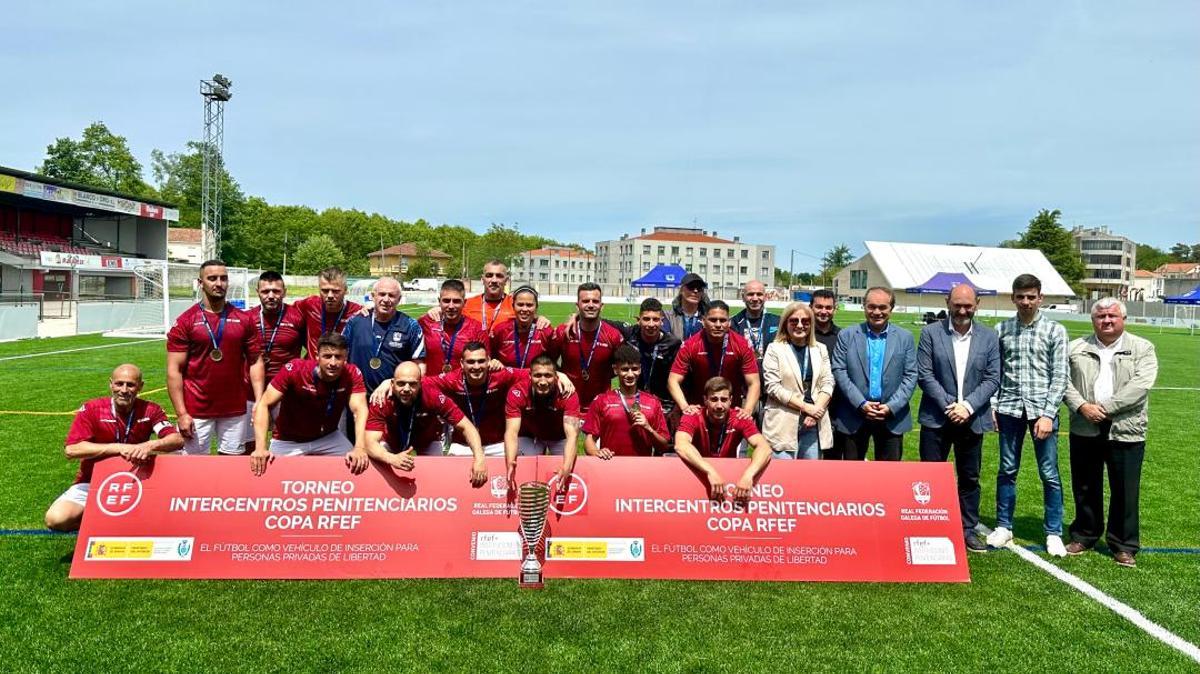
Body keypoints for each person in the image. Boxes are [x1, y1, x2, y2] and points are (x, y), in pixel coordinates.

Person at [1062, 298, 1157, 568]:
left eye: (1112, 316)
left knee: (1125, 489)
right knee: (1084, 484)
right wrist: (1082, 406)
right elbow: (1062, 381)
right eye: (1100, 316)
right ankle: (1084, 534)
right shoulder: (1076, 348)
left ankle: (1123, 545)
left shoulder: (1143, 348)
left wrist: (1103, 408)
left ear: (1123, 319)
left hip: (1125, 428)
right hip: (1084, 424)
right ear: (1092, 320)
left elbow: (1141, 385)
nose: (1106, 321)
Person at [985, 274, 1070, 557]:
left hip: (1041, 412)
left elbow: (1060, 376)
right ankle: (1004, 526)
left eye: (1031, 297)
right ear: (1013, 298)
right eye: (1020, 297)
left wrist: (1048, 414)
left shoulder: (1055, 330)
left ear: (1040, 298)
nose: (1025, 302)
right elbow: (995, 372)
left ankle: (1053, 532)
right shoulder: (1002, 329)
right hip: (1009, 409)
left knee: (1049, 474)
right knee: (1007, 470)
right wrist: (994, 406)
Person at [44, 364, 183, 532]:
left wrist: (150, 445)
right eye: (119, 383)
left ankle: (124, 524)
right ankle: (107, 525)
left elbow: (176, 439)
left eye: (130, 385)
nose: (124, 390)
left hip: (138, 482)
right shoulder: (92, 409)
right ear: (111, 384)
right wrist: (119, 447)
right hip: (93, 481)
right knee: (56, 519)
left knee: (173, 513)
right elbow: (72, 449)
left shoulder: (150, 410)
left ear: (140, 386)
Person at [916, 284, 1001, 553]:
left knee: (969, 477)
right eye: (957, 304)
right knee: (929, 477)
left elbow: (993, 378)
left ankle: (967, 528)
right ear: (947, 302)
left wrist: (967, 406)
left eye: (968, 305)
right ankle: (930, 526)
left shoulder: (989, 337)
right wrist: (949, 405)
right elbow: (925, 374)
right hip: (937, 418)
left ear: (977, 304)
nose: (962, 310)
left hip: (972, 418)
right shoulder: (930, 333)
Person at [167, 259, 264, 456]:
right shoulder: (186, 321)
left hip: (235, 409)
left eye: (223, 278)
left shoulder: (244, 319)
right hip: (196, 410)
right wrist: (181, 413)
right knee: (191, 468)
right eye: (212, 278)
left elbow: (256, 362)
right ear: (200, 283)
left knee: (231, 466)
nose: (218, 283)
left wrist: (260, 402)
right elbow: (173, 370)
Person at [249, 333, 370, 475]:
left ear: (345, 358)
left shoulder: (352, 373)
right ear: (317, 357)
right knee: (267, 474)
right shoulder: (295, 369)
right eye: (327, 356)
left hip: (329, 437)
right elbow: (264, 404)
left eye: (338, 357)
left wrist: (360, 448)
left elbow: (360, 409)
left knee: (359, 465)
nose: (333, 363)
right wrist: (260, 448)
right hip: (288, 440)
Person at [830, 287, 918, 461]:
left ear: (891, 309)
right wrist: (860, 403)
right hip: (853, 415)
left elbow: (911, 375)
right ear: (864, 306)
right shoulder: (847, 335)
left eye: (882, 307)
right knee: (852, 477)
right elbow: (839, 371)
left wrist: (892, 406)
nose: (877, 312)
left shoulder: (905, 337)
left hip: (892, 417)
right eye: (871, 307)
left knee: (889, 478)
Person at [364, 361, 487, 486]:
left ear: (420, 384)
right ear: (392, 383)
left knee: (439, 482)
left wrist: (479, 458)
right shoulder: (381, 399)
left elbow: (467, 426)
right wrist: (392, 458)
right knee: (374, 458)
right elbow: (369, 443)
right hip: (391, 443)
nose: (406, 389)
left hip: (427, 443)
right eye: (401, 384)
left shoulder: (433, 396)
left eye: (412, 384)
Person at [427, 341, 543, 457]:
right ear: (462, 363)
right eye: (471, 362)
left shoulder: (500, 375)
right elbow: (423, 382)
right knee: (452, 473)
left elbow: (534, 373)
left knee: (517, 466)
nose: (476, 367)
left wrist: (560, 376)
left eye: (481, 361)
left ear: (488, 360)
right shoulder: (452, 379)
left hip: (498, 445)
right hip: (463, 445)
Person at [675, 377, 773, 499]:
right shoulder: (693, 415)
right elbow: (681, 445)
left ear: (731, 400)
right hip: (698, 473)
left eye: (724, 399)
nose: (719, 405)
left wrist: (749, 475)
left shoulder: (739, 417)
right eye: (714, 399)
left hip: (729, 476)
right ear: (705, 400)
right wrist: (710, 471)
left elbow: (765, 448)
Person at [761, 302, 834, 459]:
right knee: (783, 478)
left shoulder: (820, 349)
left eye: (805, 321)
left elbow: (828, 383)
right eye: (794, 321)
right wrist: (806, 407)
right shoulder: (775, 349)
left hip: (813, 423)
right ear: (785, 323)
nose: (800, 326)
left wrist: (815, 413)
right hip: (782, 422)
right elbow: (773, 387)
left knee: (811, 478)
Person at [242, 271, 306, 451]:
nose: (271, 296)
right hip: (250, 393)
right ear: (257, 292)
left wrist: (298, 373)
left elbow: (312, 349)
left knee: (289, 445)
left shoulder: (298, 317)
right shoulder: (247, 318)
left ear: (284, 292)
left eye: (276, 291)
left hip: (286, 394)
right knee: (249, 446)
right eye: (265, 291)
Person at [668, 301, 761, 420]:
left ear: (729, 322)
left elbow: (754, 382)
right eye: (713, 320)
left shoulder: (742, 345)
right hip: (699, 411)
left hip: (731, 410)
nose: (718, 324)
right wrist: (684, 407)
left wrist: (748, 410)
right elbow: (673, 380)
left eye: (723, 320)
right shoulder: (690, 345)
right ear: (703, 321)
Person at [582, 344, 670, 457]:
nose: (630, 374)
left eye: (634, 369)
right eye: (624, 369)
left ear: (640, 369)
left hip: (642, 468)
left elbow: (664, 446)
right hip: (611, 465)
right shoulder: (602, 400)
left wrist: (649, 428)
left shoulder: (653, 402)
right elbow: (589, 440)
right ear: (615, 370)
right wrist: (597, 452)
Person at [504, 355, 580, 484]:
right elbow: (511, 432)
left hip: (559, 437)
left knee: (567, 467)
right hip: (530, 435)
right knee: (522, 468)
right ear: (529, 376)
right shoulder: (517, 392)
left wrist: (567, 465)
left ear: (556, 377)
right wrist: (510, 461)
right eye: (538, 375)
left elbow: (572, 435)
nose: (543, 381)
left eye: (548, 376)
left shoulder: (567, 393)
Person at [343, 277, 425, 392]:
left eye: (391, 295)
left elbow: (419, 365)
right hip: (358, 396)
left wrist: (399, 385)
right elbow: (342, 356)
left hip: (393, 397)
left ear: (399, 299)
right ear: (373, 296)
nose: (386, 299)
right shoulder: (355, 322)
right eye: (382, 294)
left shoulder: (411, 326)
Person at [555, 282, 626, 413]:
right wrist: (558, 374)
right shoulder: (563, 332)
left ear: (601, 306)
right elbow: (546, 361)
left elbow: (623, 366)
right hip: (567, 401)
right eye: (586, 301)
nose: (591, 305)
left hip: (601, 405)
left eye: (595, 301)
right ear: (578, 306)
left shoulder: (613, 336)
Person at [624, 298, 683, 417]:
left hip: (664, 405)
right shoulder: (629, 334)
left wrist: (677, 409)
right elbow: (601, 322)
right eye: (646, 319)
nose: (651, 324)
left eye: (655, 319)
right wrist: (576, 317)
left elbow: (683, 379)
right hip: (634, 400)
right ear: (638, 320)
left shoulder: (673, 344)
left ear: (662, 321)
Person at [419, 279, 489, 375]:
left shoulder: (477, 329)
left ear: (464, 302)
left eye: (456, 301)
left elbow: (484, 363)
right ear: (439, 301)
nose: (451, 306)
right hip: (432, 385)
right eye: (446, 301)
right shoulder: (425, 323)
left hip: (462, 387)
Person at [294, 266, 362, 358]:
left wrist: (371, 309)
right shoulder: (309, 305)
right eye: (325, 291)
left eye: (335, 291)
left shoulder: (357, 311)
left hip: (339, 368)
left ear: (345, 290)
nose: (330, 295)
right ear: (319, 289)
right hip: (312, 368)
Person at [810, 288, 846, 459]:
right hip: (807, 405)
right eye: (819, 307)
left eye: (828, 307)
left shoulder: (843, 337)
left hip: (836, 406)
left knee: (833, 457)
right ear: (811, 307)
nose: (824, 311)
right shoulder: (801, 334)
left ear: (834, 309)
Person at [488, 285, 557, 369]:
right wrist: (494, 362)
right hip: (507, 381)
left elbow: (553, 362)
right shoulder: (500, 330)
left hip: (535, 381)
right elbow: (490, 357)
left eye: (529, 305)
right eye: (520, 304)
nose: (524, 309)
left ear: (536, 307)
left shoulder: (545, 332)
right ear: (513, 306)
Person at [730, 280, 780, 367]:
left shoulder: (778, 322)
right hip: (743, 377)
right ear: (743, 297)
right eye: (750, 294)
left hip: (770, 377)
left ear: (766, 297)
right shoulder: (733, 323)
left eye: (759, 294)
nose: (755, 298)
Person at [464, 259, 517, 332]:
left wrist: (539, 319)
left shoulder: (515, 304)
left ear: (506, 280)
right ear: (482, 279)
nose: (494, 280)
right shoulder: (468, 304)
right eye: (489, 275)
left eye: (499, 276)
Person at [664, 272, 710, 339]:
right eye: (691, 287)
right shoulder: (668, 316)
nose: (695, 291)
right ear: (681, 290)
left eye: (699, 288)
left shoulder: (708, 318)